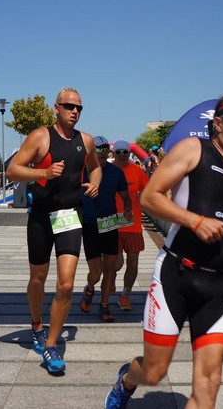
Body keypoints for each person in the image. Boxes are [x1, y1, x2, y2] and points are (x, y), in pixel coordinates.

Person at [105, 91, 223, 409]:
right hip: (177, 276)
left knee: (209, 385)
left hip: (219, 285)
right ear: (218, 124)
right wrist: (195, 221)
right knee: (153, 371)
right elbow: (150, 197)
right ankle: (127, 379)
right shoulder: (194, 150)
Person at [6, 87, 102, 375]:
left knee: (66, 284)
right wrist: (43, 174)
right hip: (41, 217)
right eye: (69, 106)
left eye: (79, 108)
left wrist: (95, 181)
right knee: (37, 280)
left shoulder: (85, 141)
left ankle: (51, 345)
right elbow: (13, 170)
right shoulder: (40, 136)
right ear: (56, 108)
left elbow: (96, 168)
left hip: (70, 215)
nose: (75, 111)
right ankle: (36, 323)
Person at [80, 136, 131, 322]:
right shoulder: (82, 172)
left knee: (110, 269)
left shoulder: (116, 173)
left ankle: (104, 305)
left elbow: (125, 197)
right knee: (96, 271)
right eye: (96, 149)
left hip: (109, 223)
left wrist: (127, 209)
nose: (100, 152)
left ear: (108, 151)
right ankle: (90, 289)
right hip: (89, 224)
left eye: (103, 148)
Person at [111, 139, 150, 311]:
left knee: (133, 263)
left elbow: (148, 192)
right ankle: (110, 277)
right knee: (117, 263)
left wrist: (141, 198)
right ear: (113, 153)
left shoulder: (137, 171)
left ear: (130, 153)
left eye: (125, 152)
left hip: (133, 224)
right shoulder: (106, 171)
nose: (121, 155)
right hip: (113, 224)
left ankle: (126, 294)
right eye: (118, 152)